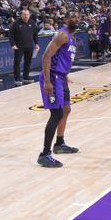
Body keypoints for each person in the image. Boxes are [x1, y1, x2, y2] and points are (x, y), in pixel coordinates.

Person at [37, 12, 81, 168]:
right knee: (56, 113)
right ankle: (44, 154)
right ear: (66, 20)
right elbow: (46, 56)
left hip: (61, 77)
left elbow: (63, 58)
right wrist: (48, 81)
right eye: (73, 17)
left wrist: (65, 75)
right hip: (53, 78)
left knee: (66, 109)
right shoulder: (62, 34)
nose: (76, 19)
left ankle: (59, 144)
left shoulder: (72, 37)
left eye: (77, 17)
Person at [9, 8, 40, 85]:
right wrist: (13, 44)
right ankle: (17, 78)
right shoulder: (16, 23)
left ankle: (26, 77)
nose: (26, 16)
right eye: (24, 15)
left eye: (27, 15)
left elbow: (35, 34)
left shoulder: (32, 23)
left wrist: (36, 43)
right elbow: (11, 35)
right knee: (17, 63)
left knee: (28, 62)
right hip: (19, 46)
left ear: (29, 15)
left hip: (29, 46)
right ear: (21, 15)